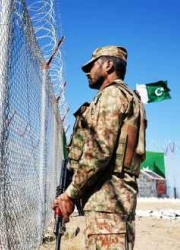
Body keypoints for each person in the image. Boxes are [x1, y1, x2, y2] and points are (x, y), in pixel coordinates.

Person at [53, 45, 147, 249]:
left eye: (91, 66)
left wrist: (70, 194)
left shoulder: (112, 95)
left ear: (108, 65)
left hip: (108, 200)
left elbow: (99, 151)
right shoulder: (128, 97)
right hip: (113, 201)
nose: (87, 72)